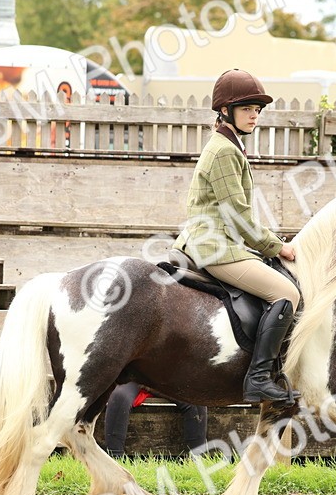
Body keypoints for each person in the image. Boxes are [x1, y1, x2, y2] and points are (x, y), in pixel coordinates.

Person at [172, 69, 301, 404]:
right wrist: (277, 246)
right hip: (214, 246)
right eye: (247, 108)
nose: (255, 114)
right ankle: (258, 378)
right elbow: (239, 217)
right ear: (225, 111)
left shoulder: (229, 146)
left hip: (218, 241)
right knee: (286, 292)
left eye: (258, 108)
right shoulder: (225, 151)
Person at [104, 383, 208, 457]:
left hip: (166, 377)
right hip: (133, 377)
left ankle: (197, 459)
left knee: (196, 400)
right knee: (119, 397)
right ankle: (115, 458)